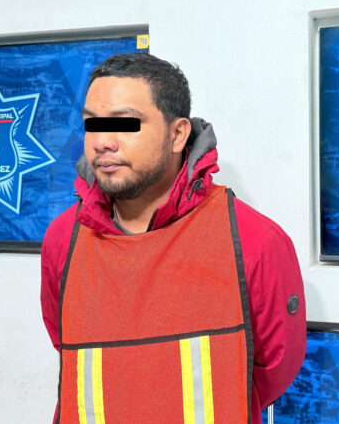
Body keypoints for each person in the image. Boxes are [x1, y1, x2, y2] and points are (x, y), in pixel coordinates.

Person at [40, 52, 306, 423]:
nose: (102, 142)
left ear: (177, 134)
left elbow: (270, 371)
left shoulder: (254, 240)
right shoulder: (62, 239)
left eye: (125, 124)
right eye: (92, 124)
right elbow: (66, 345)